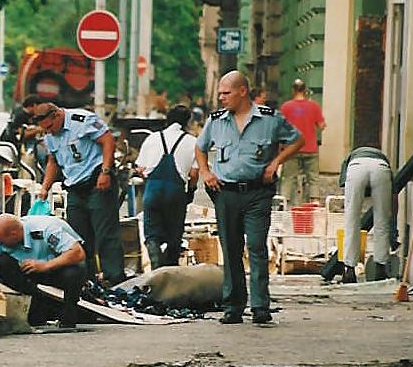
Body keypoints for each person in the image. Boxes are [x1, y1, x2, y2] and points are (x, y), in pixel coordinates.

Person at [195, 70, 304, 325]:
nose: (221, 98)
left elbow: (297, 140)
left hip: (257, 193)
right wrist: (206, 172)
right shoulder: (217, 121)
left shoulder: (270, 119)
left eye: (226, 93)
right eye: (220, 93)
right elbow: (200, 147)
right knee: (231, 249)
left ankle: (259, 306)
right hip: (226, 193)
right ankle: (233, 306)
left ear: (242, 91)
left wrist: (275, 162)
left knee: (256, 246)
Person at [24, 96, 126, 286]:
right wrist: (44, 188)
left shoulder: (82, 120)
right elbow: (53, 162)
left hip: (97, 181)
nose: (48, 132)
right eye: (45, 130)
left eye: (50, 127)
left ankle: (114, 278)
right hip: (75, 187)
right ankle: (87, 279)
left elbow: (108, 141)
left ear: (57, 115)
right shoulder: (49, 135)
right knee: (77, 236)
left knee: (105, 233)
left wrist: (105, 171)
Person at [0, 213, 86, 329]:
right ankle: (35, 310)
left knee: (74, 272)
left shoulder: (47, 229)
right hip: (31, 273)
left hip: (57, 267)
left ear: (13, 234)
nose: (0, 243)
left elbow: (77, 253)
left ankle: (68, 318)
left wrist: (45, 266)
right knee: (5, 262)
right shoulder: (3, 239)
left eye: (1, 240)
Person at [135, 104, 199, 269]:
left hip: (152, 191)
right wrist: (191, 191)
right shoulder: (193, 142)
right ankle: (170, 271)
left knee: (152, 234)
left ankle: (156, 268)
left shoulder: (152, 138)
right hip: (175, 193)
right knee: (174, 236)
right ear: (187, 122)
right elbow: (194, 174)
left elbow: (140, 168)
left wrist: (148, 175)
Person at [338, 147, 393, 284]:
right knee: (382, 220)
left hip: (356, 169)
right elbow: (394, 198)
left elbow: (345, 186)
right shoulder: (384, 160)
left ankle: (349, 270)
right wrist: (394, 225)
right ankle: (380, 269)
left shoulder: (349, 160)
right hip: (381, 169)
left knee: (352, 220)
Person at [279, 79, 326, 206]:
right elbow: (321, 125)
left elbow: (280, 127)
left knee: (288, 178)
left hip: (291, 148)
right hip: (310, 148)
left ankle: (284, 202)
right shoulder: (314, 106)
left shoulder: (286, 107)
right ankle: (314, 201)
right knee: (313, 178)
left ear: (293, 90)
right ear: (305, 90)